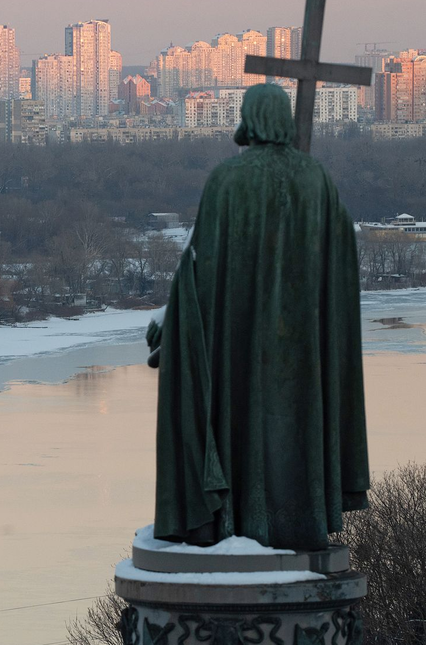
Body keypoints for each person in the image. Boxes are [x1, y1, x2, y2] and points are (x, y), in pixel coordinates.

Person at [146, 83, 370, 551]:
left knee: (240, 419)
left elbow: (201, 268)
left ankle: (239, 522)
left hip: (240, 342)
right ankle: (301, 520)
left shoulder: (228, 180)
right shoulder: (317, 180)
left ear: (250, 117)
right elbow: (338, 257)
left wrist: (175, 325)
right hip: (304, 346)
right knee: (297, 427)